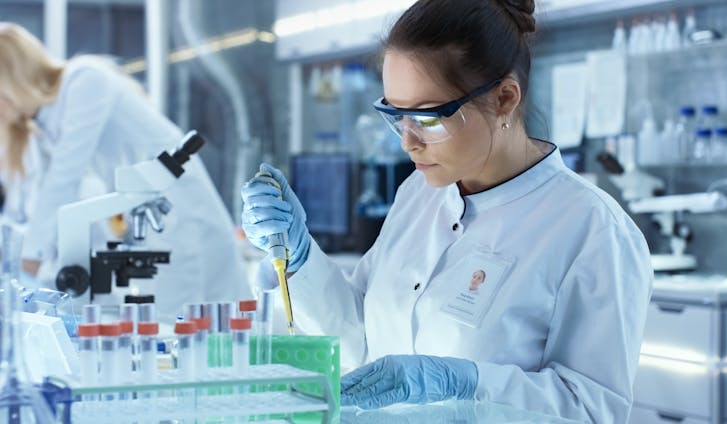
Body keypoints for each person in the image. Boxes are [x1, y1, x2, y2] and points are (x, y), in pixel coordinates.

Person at [241, 0, 652, 422]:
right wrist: (300, 258)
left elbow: (593, 410)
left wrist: (467, 384)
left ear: (505, 98)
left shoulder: (592, 229)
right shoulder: (418, 193)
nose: (407, 141)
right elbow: (359, 341)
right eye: (395, 115)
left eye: (427, 117)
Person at [0, 23, 250, 322]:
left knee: (192, 319)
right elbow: (42, 199)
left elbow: (65, 177)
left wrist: (31, 257)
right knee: (175, 324)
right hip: (141, 214)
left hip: (175, 206)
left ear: (14, 78)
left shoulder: (85, 80)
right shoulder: (40, 124)